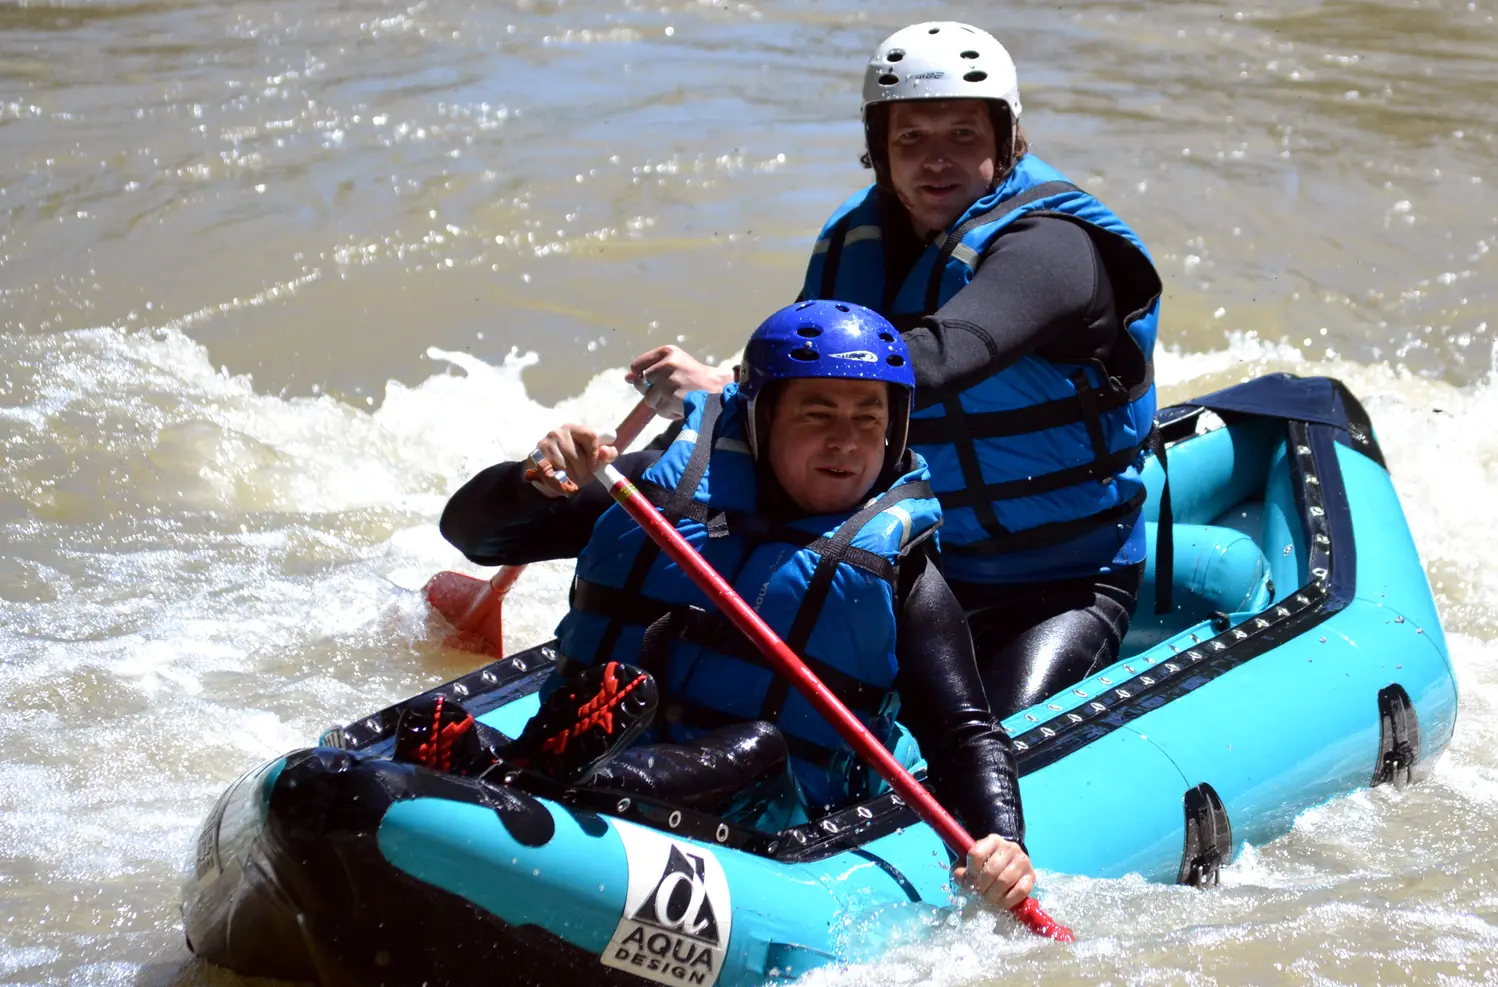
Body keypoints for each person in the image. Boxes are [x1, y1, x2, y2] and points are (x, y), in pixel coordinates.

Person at [421, 301, 1035, 910]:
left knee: (761, 746)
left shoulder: (900, 570)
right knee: (623, 694)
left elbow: (964, 734)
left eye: (868, 420)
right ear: (761, 416)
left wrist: (1002, 842)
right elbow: (476, 537)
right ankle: (527, 765)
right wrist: (532, 479)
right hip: (614, 743)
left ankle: (542, 775)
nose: (845, 443)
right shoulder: (655, 489)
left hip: (773, 816)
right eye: (817, 415)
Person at [631, 22, 1166, 717]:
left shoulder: (1052, 248)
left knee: (992, 741)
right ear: (880, 149)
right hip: (902, 570)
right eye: (911, 138)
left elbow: (946, 354)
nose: (936, 161)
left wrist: (731, 386)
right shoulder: (856, 239)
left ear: (1006, 141)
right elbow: (788, 397)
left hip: (1057, 583)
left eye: (963, 135)